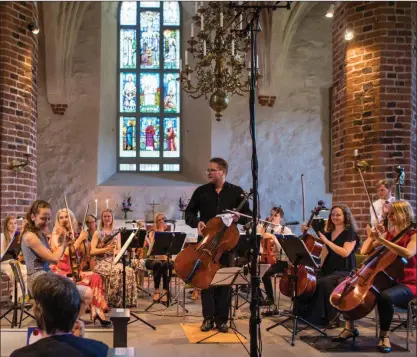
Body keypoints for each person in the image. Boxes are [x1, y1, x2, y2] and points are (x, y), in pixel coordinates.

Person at [335, 200, 416, 353]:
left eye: (392, 214)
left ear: (403, 214)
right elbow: (365, 250)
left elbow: (407, 253)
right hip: (388, 279)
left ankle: (384, 336)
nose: (389, 216)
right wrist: (373, 237)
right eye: (388, 214)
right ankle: (350, 328)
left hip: (409, 282)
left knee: (385, 296)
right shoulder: (390, 234)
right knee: (346, 287)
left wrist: (381, 240)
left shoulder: (413, 235)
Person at [185, 157, 251, 333]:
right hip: (206, 243)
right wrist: (197, 222)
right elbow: (189, 213)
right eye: (208, 170)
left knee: (224, 282)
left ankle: (222, 320)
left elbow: (248, 216)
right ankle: (208, 318)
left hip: (227, 244)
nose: (208, 173)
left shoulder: (237, 192)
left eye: (212, 170)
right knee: (205, 281)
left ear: (223, 171)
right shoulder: (201, 191)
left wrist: (239, 217)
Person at [20, 200, 93, 321]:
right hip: (38, 281)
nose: (47, 222)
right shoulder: (30, 236)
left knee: (85, 293)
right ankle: (68, 325)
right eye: (43, 218)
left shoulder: (40, 233)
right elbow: (54, 259)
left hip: (47, 276)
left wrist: (65, 242)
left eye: (49, 219)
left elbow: (53, 254)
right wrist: (63, 242)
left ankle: (66, 325)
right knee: (87, 294)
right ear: (33, 217)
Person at [10, 273, 108, 357]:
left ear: (39, 312)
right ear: (76, 313)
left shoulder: (19, 355)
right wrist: (78, 341)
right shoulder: (100, 350)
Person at [299, 204, 360, 327]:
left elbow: (345, 252)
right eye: (333, 214)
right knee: (308, 280)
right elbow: (318, 242)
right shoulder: (330, 232)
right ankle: (306, 315)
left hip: (345, 269)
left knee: (325, 283)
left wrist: (327, 241)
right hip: (329, 266)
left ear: (345, 216)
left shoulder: (350, 232)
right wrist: (307, 229)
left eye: (338, 215)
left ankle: (331, 318)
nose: (335, 217)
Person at [49, 209, 110, 326]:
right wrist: (80, 239)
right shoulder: (56, 234)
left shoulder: (72, 233)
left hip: (73, 270)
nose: (64, 220)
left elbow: (81, 253)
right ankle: (79, 317)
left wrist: (84, 244)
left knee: (95, 277)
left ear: (72, 218)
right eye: (61, 218)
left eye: (66, 217)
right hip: (60, 272)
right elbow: (66, 252)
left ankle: (95, 312)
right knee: (89, 280)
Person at [90, 209, 137, 307]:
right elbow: (92, 251)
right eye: (105, 216)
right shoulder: (97, 233)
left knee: (128, 270)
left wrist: (114, 251)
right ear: (102, 219)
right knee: (116, 272)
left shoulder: (117, 232)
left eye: (109, 216)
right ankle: (113, 301)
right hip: (100, 262)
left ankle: (126, 301)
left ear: (112, 218)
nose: (107, 218)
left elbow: (119, 249)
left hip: (113, 260)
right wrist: (106, 249)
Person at [258, 206, 293, 305]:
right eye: (271, 215)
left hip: (282, 261)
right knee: (254, 270)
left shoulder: (285, 230)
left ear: (280, 218)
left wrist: (274, 237)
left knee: (265, 272)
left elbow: (287, 250)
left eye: (276, 215)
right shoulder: (266, 229)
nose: (272, 217)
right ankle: (259, 297)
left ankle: (270, 298)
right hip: (268, 258)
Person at [140, 213, 173, 303]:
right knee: (157, 263)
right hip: (152, 259)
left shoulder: (169, 234)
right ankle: (156, 290)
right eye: (159, 220)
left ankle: (165, 291)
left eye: (163, 219)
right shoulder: (152, 232)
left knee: (168, 264)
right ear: (156, 222)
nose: (162, 221)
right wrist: (160, 231)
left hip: (164, 259)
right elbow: (152, 248)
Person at [1, 216, 28, 302]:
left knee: (26, 270)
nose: (13, 225)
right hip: (4, 262)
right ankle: (18, 299)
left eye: (15, 223)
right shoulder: (2, 236)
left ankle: (22, 296)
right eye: (10, 223)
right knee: (17, 272)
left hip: (15, 261)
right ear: (6, 225)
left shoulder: (19, 236)